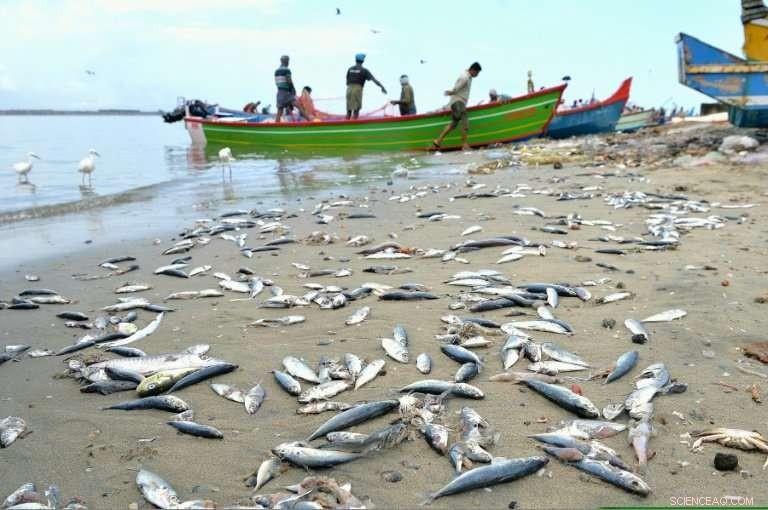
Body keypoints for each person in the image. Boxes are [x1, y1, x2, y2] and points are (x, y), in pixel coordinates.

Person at [433, 62, 482, 151]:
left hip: (457, 102)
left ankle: (438, 140)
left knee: (454, 123)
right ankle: (464, 144)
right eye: (477, 73)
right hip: (458, 102)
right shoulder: (465, 77)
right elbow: (456, 88)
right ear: (473, 70)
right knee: (465, 121)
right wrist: (450, 92)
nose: (477, 75)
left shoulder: (468, 77)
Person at [346, 53, 387, 119]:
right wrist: (382, 87)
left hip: (349, 89)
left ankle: (346, 126)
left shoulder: (350, 69)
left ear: (355, 60)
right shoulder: (364, 70)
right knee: (356, 109)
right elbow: (374, 80)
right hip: (357, 89)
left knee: (349, 109)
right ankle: (354, 125)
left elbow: (347, 82)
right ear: (363, 61)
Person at [274, 55, 306, 122]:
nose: (288, 62)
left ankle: (276, 126)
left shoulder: (276, 71)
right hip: (286, 93)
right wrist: (293, 89)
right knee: (299, 106)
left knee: (279, 112)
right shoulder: (286, 70)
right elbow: (289, 81)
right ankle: (311, 122)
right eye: (288, 61)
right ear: (286, 61)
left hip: (279, 93)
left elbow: (277, 83)